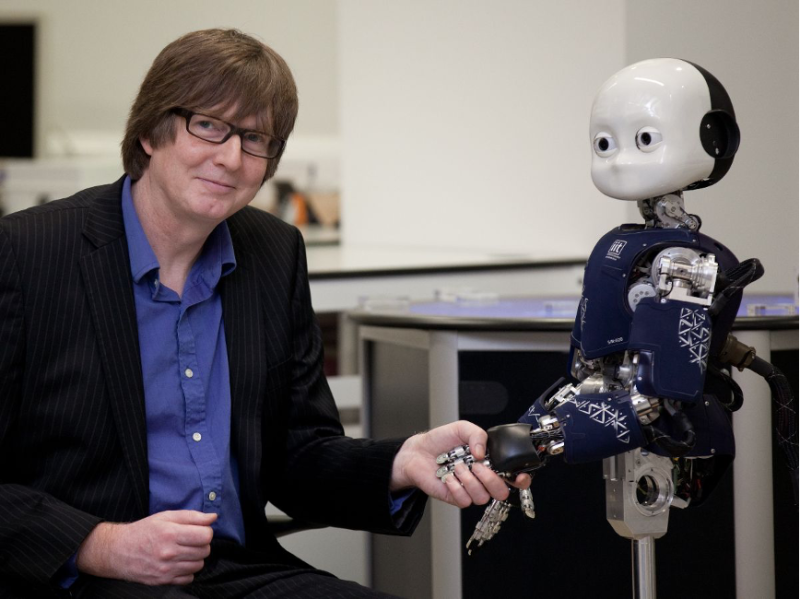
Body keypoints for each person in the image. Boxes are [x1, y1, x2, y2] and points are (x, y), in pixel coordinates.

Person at [0, 29, 528, 598]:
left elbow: (296, 457)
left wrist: (402, 461)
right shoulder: (28, 253)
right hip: (80, 576)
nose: (230, 158)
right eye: (208, 125)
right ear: (152, 131)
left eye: (255, 139)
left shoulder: (273, 253)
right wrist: (100, 544)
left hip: (235, 567)